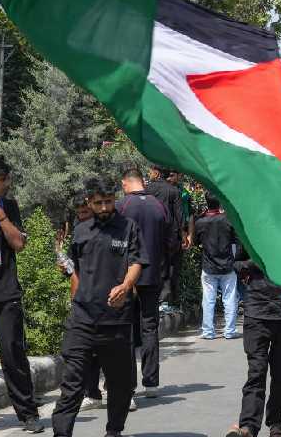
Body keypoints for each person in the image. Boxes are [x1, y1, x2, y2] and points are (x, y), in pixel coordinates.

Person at [52, 177, 148, 437]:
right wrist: (71, 282)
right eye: (98, 203)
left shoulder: (128, 227)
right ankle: (61, 433)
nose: (104, 207)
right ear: (89, 203)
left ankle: (113, 431)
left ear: (115, 199)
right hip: (82, 319)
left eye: (108, 201)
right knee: (72, 383)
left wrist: (126, 286)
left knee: (120, 384)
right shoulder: (81, 230)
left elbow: (137, 261)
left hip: (116, 320)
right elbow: (75, 269)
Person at [0, 152, 42, 433]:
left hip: (5, 291)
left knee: (12, 353)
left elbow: (19, 244)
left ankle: (28, 413)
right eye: (2, 179)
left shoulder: (9, 205)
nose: (7, 183)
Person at [227, 244, 281, 437]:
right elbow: (236, 264)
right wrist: (254, 263)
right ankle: (248, 426)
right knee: (256, 372)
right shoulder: (252, 232)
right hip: (257, 311)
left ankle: (275, 422)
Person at [118, 168, 172, 400]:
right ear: (143, 181)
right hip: (152, 276)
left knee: (126, 330)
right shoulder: (159, 206)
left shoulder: (122, 207)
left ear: (125, 183)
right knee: (150, 327)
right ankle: (151, 382)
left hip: (126, 278)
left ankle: (127, 386)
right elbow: (171, 241)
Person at [54, 194, 104, 411]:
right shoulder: (78, 232)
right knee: (86, 349)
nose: (82, 217)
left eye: (85, 212)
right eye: (79, 214)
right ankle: (91, 392)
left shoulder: (105, 230)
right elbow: (72, 265)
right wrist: (65, 268)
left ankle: (118, 389)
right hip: (82, 298)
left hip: (104, 297)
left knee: (108, 347)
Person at [192, 192, 239, 340]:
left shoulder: (201, 222)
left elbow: (195, 242)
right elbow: (237, 240)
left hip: (208, 265)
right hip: (227, 265)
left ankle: (208, 331)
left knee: (208, 299)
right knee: (230, 298)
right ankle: (230, 331)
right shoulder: (228, 220)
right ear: (220, 203)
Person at [144, 165, 183, 311]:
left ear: (157, 173)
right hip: (169, 236)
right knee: (169, 267)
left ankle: (151, 300)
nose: (149, 174)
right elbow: (179, 216)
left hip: (150, 233)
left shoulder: (147, 190)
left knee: (151, 265)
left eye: (150, 171)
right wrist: (183, 235)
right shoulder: (174, 191)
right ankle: (166, 301)